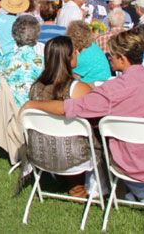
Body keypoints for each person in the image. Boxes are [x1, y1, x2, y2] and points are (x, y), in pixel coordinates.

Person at [22, 30, 144, 204]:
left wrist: (32, 104)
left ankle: (124, 191)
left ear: (122, 58)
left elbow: (71, 107)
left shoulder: (112, 90)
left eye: (111, 55)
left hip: (126, 161)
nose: (108, 58)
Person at [26, 36, 95, 198]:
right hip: (73, 157)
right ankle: (78, 186)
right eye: (75, 53)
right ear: (68, 58)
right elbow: (95, 117)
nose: (77, 54)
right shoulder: (78, 89)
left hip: (42, 154)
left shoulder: (36, 88)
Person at [0, 15, 44, 106]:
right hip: (32, 113)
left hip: (9, 111)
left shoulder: (7, 59)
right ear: (36, 37)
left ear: (13, 35)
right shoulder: (43, 63)